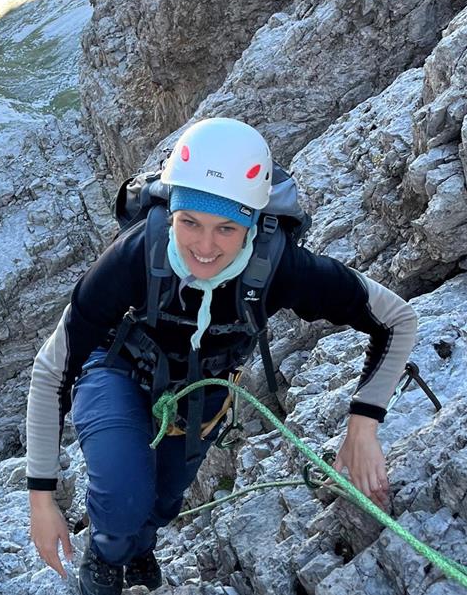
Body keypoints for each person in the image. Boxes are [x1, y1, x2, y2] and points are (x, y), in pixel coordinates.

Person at [24, 118, 418, 594]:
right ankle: (106, 557)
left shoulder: (279, 266)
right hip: (116, 368)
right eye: (190, 222)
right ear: (172, 212)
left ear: (252, 221)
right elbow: (51, 372)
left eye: (227, 228)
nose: (204, 247)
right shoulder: (135, 255)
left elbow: (396, 320)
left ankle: (140, 545)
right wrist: (41, 498)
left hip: (204, 389)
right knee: (124, 495)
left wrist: (362, 426)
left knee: (165, 501)